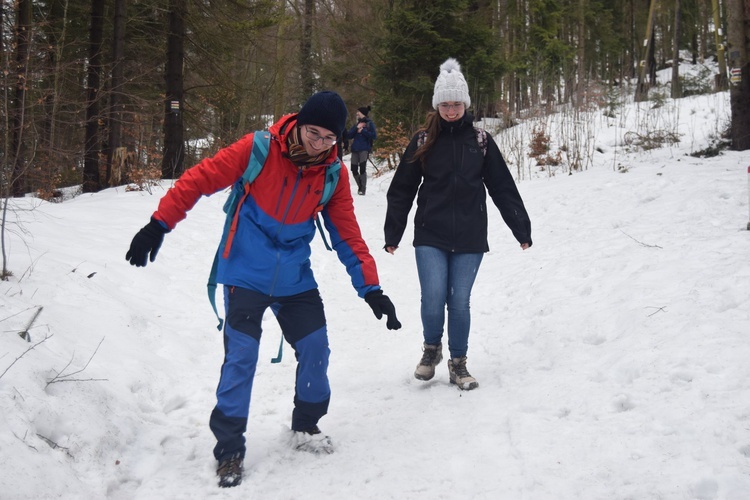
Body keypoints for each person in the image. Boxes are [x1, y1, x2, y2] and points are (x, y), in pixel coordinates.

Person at [125, 90, 401, 488]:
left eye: (329, 138)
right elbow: (198, 180)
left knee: (316, 348)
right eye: (313, 133)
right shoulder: (258, 149)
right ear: (299, 124)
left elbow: (348, 235)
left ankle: (306, 426)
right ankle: (230, 450)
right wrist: (159, 224)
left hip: (294, 279)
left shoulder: (332, 174)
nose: (320, 144)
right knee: (241, 357)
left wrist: (371, 288)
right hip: (244, 273)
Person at [384, 58, 531, 391]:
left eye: (457, 104)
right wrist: (393, 233)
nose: (451, 110)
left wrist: (520, 229)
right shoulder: (423, 141)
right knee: (433, 297)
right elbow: (402, 189)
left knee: (459, 300)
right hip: (430, 234)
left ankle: (459, 363)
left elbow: (502, 187)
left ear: (466, 105)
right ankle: (431, 350)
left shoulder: (480, 141)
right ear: (437, 106)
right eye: (445, 105)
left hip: (469, 233)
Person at [345, 105, 377, 195]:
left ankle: (363, 189)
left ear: (362, 113)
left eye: (358, 112)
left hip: (364, 149)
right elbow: (348, 135)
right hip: (355, 149)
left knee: (362, 169)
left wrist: (363, 131)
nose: (357, 113)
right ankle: (360, 186)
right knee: (354, 169)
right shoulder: (357, 124)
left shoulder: (370, 124)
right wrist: (357, 128)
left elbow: (374, 136)